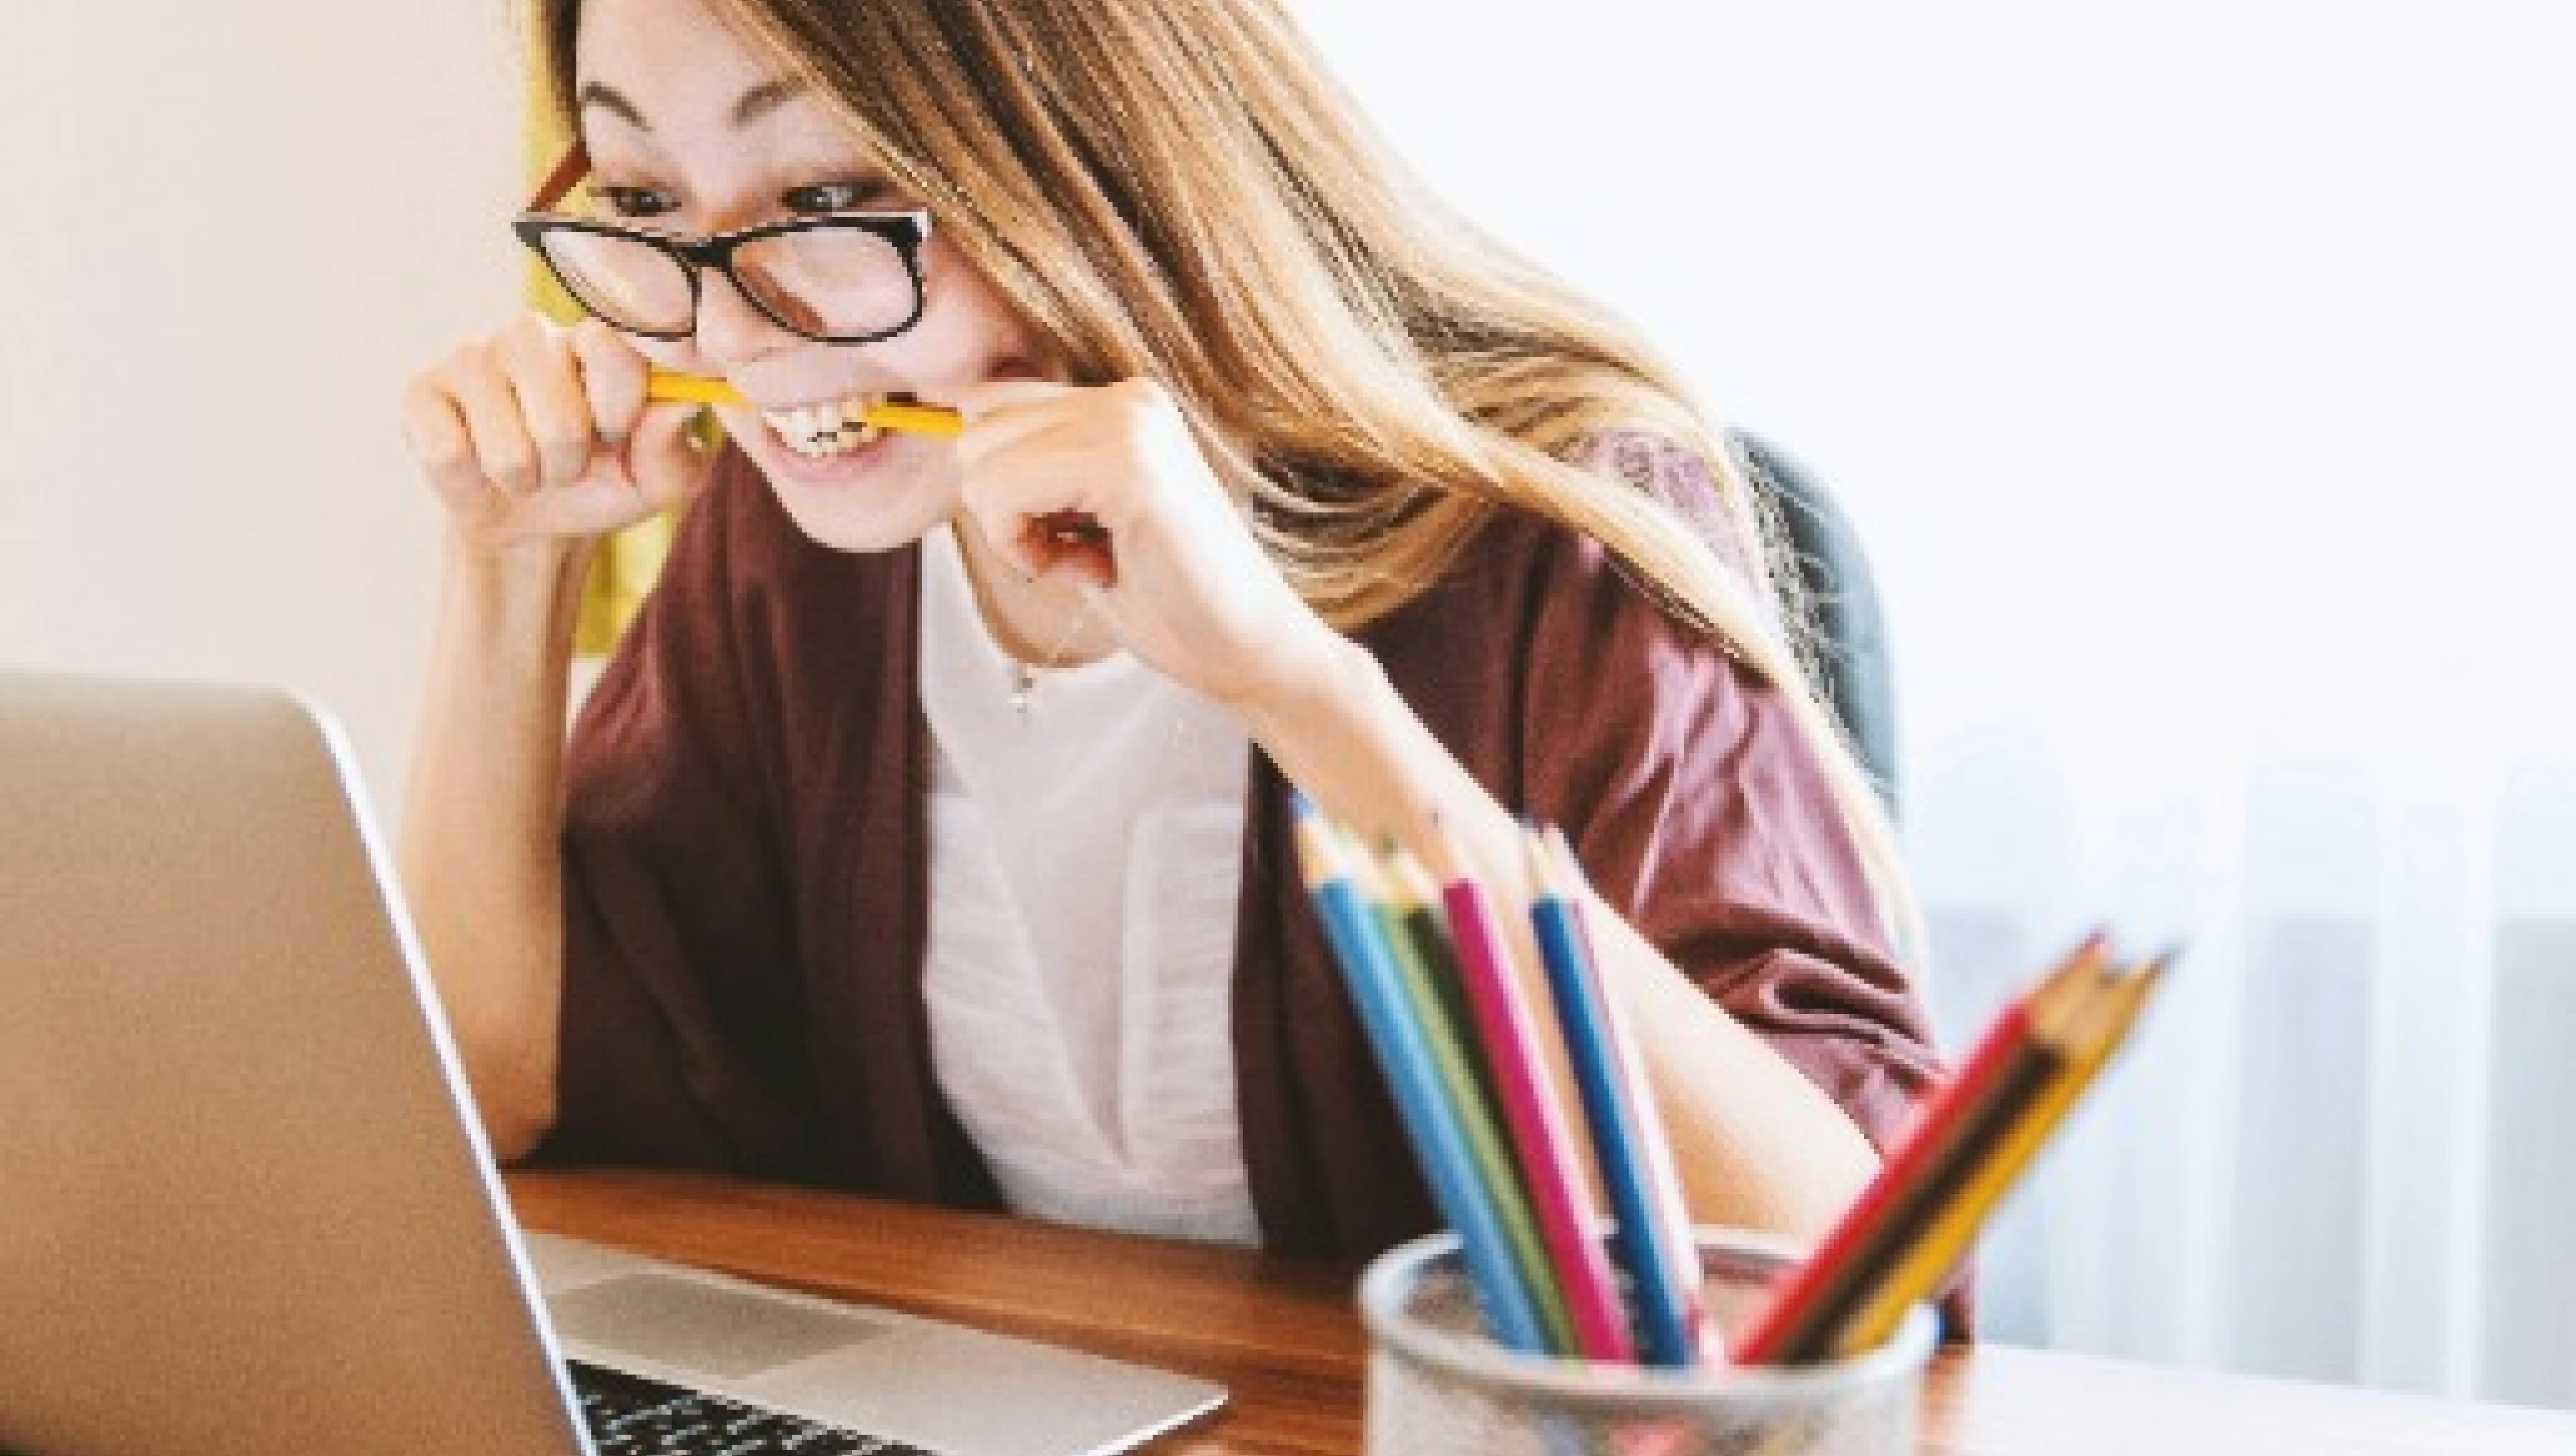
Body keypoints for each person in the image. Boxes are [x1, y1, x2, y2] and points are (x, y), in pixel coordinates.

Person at [398, 0, 1947, 1265]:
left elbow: (1839, 1261)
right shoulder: (805, 540)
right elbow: (494, 1086)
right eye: (647, 202)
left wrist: (1290, 685)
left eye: (830, 198)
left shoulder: (1553, 518)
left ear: (1089, 151)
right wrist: (507, 567)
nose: (732, 337)